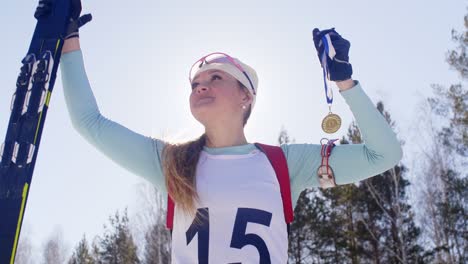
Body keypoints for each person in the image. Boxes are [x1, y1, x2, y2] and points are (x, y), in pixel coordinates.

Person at [56, 1, 403, 263]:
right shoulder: (173, 163)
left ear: (246, 96)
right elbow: (89, 122)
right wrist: (68, 36)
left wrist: (344, 80)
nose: (200, 86)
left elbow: (385, 154)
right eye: (195, 83)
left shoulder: (285, 163)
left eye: (215, 78)